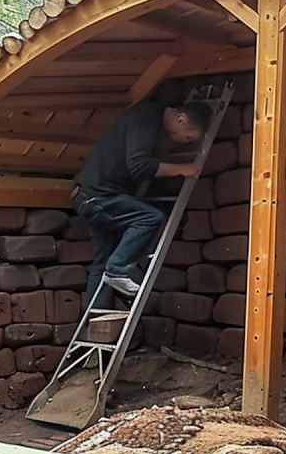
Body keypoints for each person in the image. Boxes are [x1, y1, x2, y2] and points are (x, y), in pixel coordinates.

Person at [72, 99, 212, 304]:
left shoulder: (147, 119)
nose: (186, 143)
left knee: (101, 263)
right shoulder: (146, 116)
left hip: (88, 196)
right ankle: (118, 270)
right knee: (151, 218)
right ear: (180, 119)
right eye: (189, 137)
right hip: (100, 196)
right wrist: (183, 169)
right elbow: (139, 165)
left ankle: (93, 326)